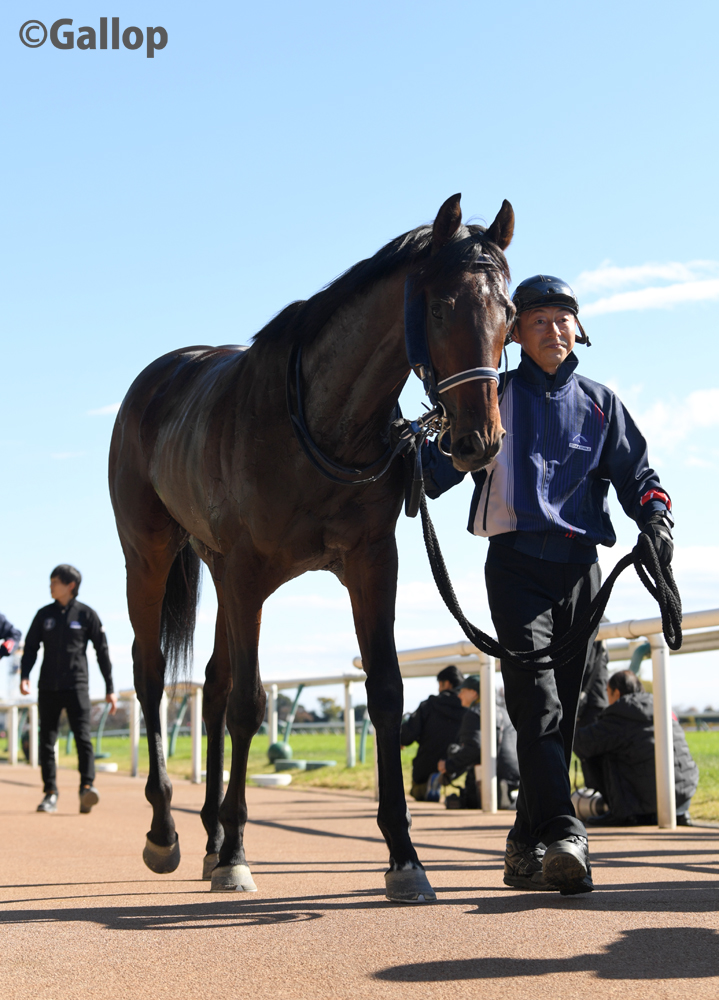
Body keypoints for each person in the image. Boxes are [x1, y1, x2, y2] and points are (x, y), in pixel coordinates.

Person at [420, 274, 674, 894]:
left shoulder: (602, 402)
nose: (555, 330)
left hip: (582, 570)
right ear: (513, 334)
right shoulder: (493, 396)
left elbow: (639, 476)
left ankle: (522, 843)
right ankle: (566, 833)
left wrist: (656, 519)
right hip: (514, 566)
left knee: (562, 715)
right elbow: (431, 475)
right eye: (540, 321)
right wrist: (427, 446)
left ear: (577, 329)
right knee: (537, 705)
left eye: (564, 320)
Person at [20, 565, 116, 814]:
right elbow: (30, 647)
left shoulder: (87, 614)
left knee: (83, 738)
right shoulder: (43, 614)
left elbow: (102, 651)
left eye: (55, 582)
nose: (50, 586)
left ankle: (87, 788)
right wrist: (24, 675)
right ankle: (50, 793)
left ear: (70, 585)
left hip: (77, 686)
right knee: (47, 741)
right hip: (48, 687)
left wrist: (110, 687)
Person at [574, 670, 698, 825]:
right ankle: (678, 812)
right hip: (684, 793)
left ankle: (623, 813)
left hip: (648, 798)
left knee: (597, 749)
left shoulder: (621, 713)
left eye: (607, 693)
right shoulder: (661, 704)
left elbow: (581, 743)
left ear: (616, 693)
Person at [438, 676, 520, 809]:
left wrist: (448, 765)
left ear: (474, 693)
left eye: (462, 691)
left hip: (495, 782)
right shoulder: (505, 713)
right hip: (516, 779)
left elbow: (474, 748)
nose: (459, 695)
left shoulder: (474, 713)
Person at [400, 665, 466, 800]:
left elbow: (408, 735)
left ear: (446, 684)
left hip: (426, 767)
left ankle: (430, 785)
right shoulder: (469, 708)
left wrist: (400, 740)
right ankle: (446, 781)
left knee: (417, 792)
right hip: (455, 766)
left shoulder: (429, 705)